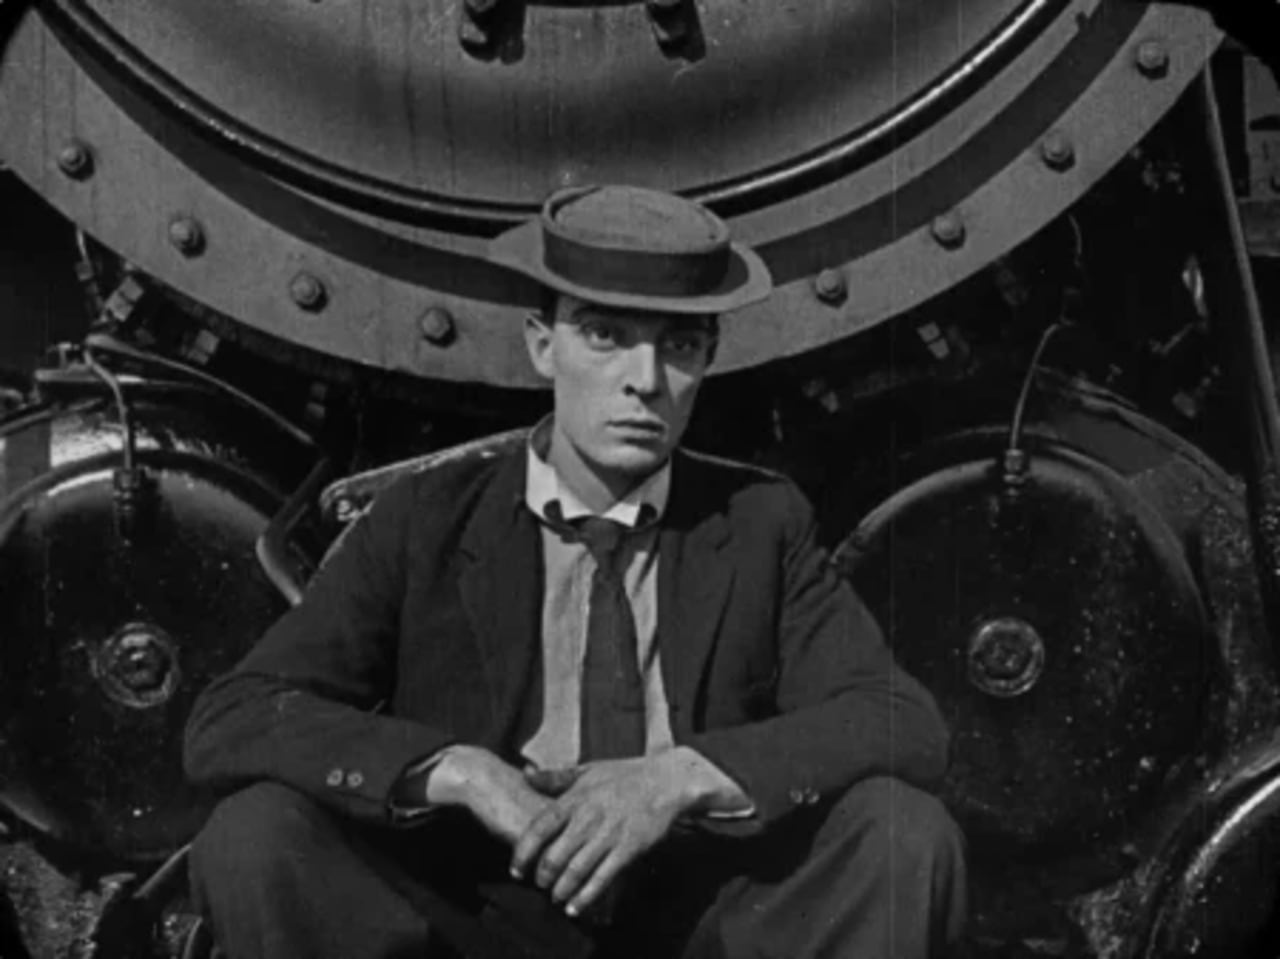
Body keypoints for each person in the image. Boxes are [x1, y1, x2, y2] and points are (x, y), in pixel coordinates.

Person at [183, 184, 967, 959]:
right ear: (541, 344)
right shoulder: (427, 516)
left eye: (678, 345)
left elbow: (901, 720)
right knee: (254, 832)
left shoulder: (761, 522)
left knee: (904, 833)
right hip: (477, 902)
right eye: (604, 335)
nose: (644, 379)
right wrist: (458, 771)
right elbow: (234, 715)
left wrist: (677, 779)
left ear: (707, 360)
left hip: (697, 910)